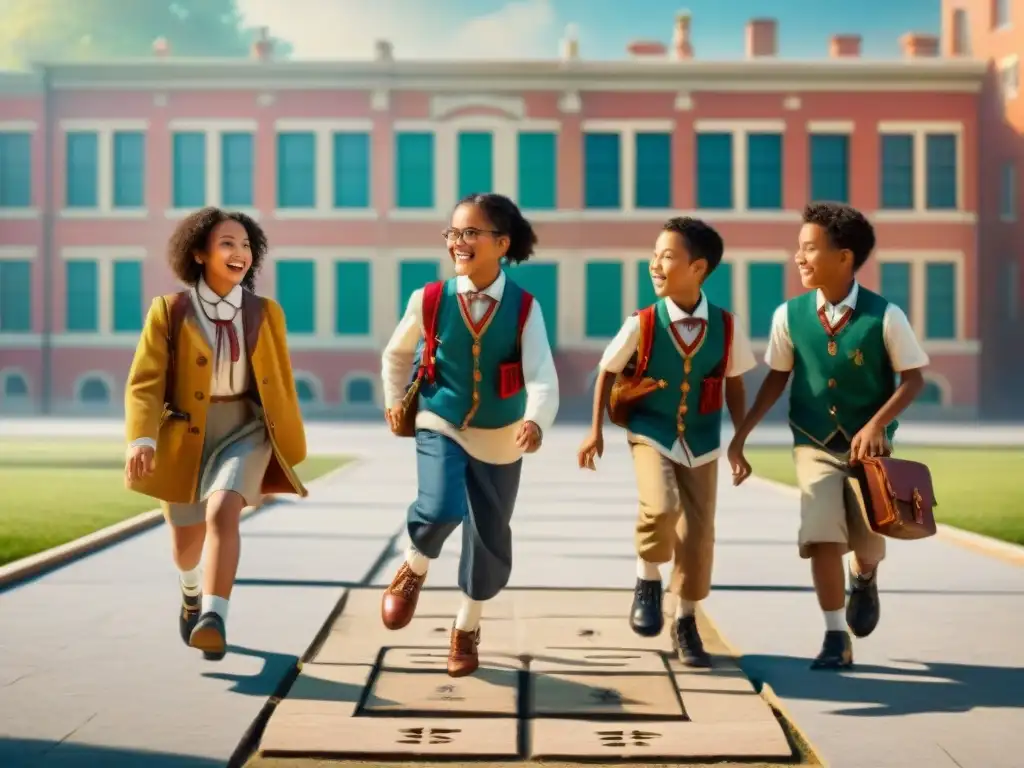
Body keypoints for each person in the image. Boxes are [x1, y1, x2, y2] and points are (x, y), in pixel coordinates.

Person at [728, 202, 928, 670]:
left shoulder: (886, 316)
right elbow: (777, 378)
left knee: (869, 543)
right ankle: (835, 635)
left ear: (844, 257)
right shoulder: (788, 315)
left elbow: (914, 378)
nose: (799, 258)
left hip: (870, 454)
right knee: (821, 535)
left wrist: (878, 424)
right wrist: (741, 436)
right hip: (811, 442)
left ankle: (864, 576)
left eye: (809, 249)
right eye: (798, 248)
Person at [380, 193, 559, 678]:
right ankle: (412, 568)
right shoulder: (430, 299)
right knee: (440, 507)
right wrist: (396, 400)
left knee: (489, 537)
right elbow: (397, 355)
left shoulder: (525, 308)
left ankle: (466, 627)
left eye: (471, 233)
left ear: (501, 244)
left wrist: (536, 419)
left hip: (501, 433)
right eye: (454, 233)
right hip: (441, 418)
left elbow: (542, 372)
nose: (459, 242)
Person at [123, 207, 308, 661]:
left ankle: (213, 616)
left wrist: (285, 439)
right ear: (201, 253)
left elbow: (280, 380)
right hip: (186, 435)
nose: (239, 252)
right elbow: (146, 380)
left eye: (246, 245)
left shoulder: (266, 313)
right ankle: (190, 591)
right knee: (186, 545)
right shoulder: (170, 311)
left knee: (225, 510)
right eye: (227, 243)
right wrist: (142, 438)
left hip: (245, 428)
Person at [577, 217, 756, 667]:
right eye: (654, 255)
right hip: (650, 434)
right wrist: (595, 430)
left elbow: (734, 383)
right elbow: (607, 370)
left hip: (703, 441)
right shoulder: (642, 323)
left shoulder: (727, 327)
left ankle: (686, 622)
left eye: (667, 256)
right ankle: (647, 579)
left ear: (698, 268)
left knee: (698, 537)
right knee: (661, 507)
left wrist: (739, 440)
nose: (655, 264)